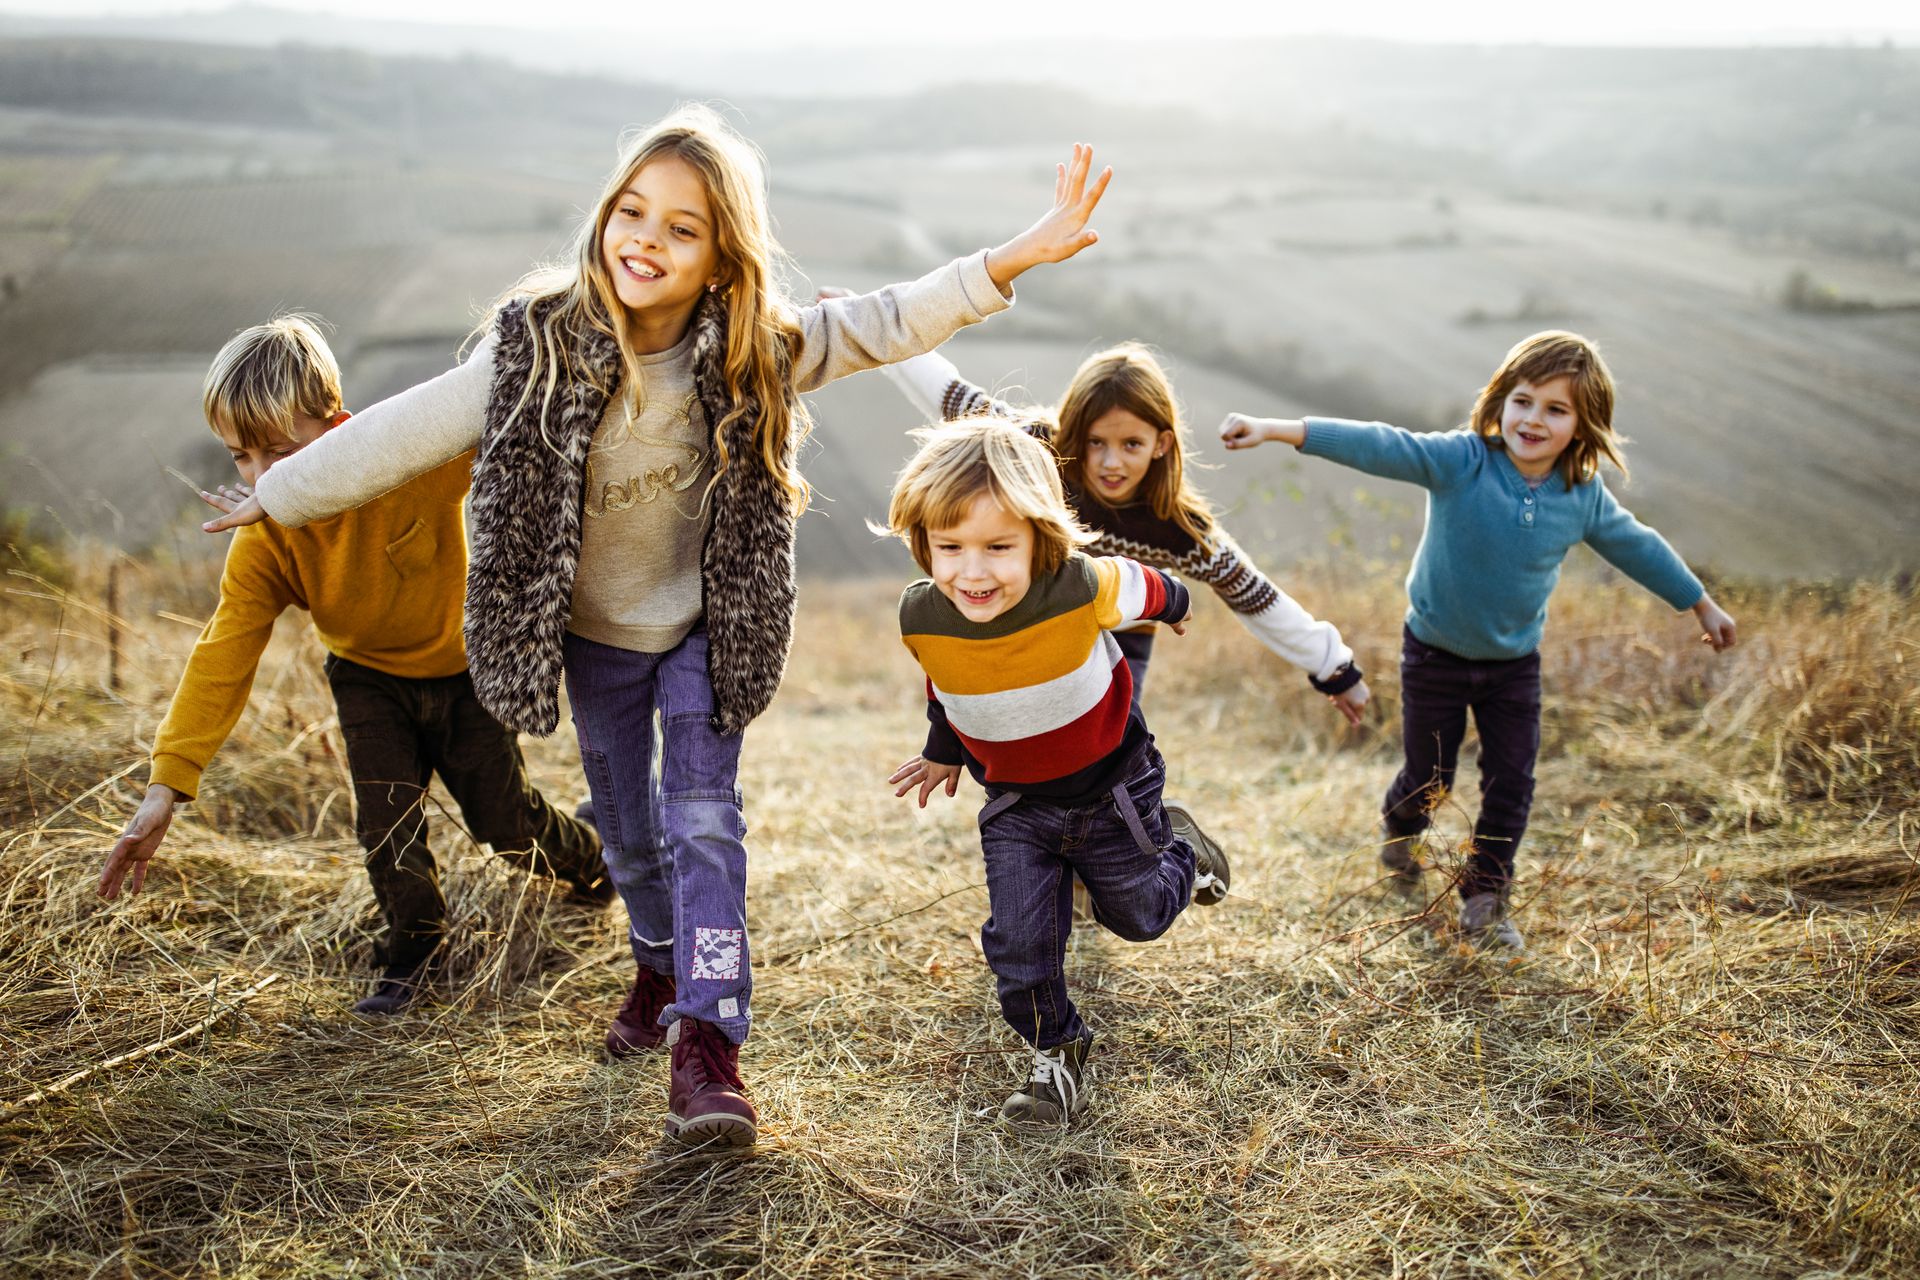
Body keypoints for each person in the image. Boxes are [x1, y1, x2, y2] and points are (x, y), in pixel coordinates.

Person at [201, 107, 1113, 1147]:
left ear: (723, 255)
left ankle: (709, 1043)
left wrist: (1013, 257)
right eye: (632, 211)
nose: (647, 237)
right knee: (629, 834)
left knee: (702, 824)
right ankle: (653, 962)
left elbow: (881, 320)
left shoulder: (750, 350)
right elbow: (400, 430)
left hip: (706, 629)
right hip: (595, 640)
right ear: (603, 218)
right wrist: (282, 492)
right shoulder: (534, 350)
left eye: (683, 228)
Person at [97, 315, 606, 1015]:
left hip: (464, 675)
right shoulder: (266, 539)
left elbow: (503, 415)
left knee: (507, 827)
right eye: (242, 457)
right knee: (386, 831)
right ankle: (414, 950)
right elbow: (223, 652)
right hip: (367, 680)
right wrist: (167, 785)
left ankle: (598, 861)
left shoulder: (410, 466)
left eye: (280, 451)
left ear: (338, 426)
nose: (263, 478)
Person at [1220, 330, 1737, 951]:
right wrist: (1279, 428)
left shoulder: (1581, 495)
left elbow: (1637, 546)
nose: (1533, 419)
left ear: (1584, 423)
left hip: (1513, 665)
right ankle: (1399, 828)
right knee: (1429, 776)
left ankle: (1486, 896)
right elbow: (1383, 445)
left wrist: (1699, 603)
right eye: (1523, 400)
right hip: (1433, 654)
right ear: (1500, 401)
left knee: (1512, 781)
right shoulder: (1462, 460)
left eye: (1556, 409)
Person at [881, 420, 1229, 1126]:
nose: (971, 572)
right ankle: (1056, 1052)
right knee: (1018, 944)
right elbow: (948, 683)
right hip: (1017, 807)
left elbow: (1150, 586)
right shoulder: (922, 613)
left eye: (998, 548)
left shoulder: (1079, 586)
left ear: (1043, 539)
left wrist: (1179, 604)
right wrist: (944, 749)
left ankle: (1183, 852)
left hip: (1113, 789)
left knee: (1138, 916)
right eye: (949, 548)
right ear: (923, 543)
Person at [853, 335, 1369, 724]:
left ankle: (1138, 849)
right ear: (1075, 431)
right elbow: (952, 397)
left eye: (1131, 445)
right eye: (1096, 442)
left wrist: (1335, 668)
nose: (1109, 462)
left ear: (1162, 444)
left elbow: (1256, 596)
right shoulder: (1041, 449)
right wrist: (874, 330)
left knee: (1115, 746)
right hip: (1035, 624)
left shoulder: (1178, 526)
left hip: (1120, 644)